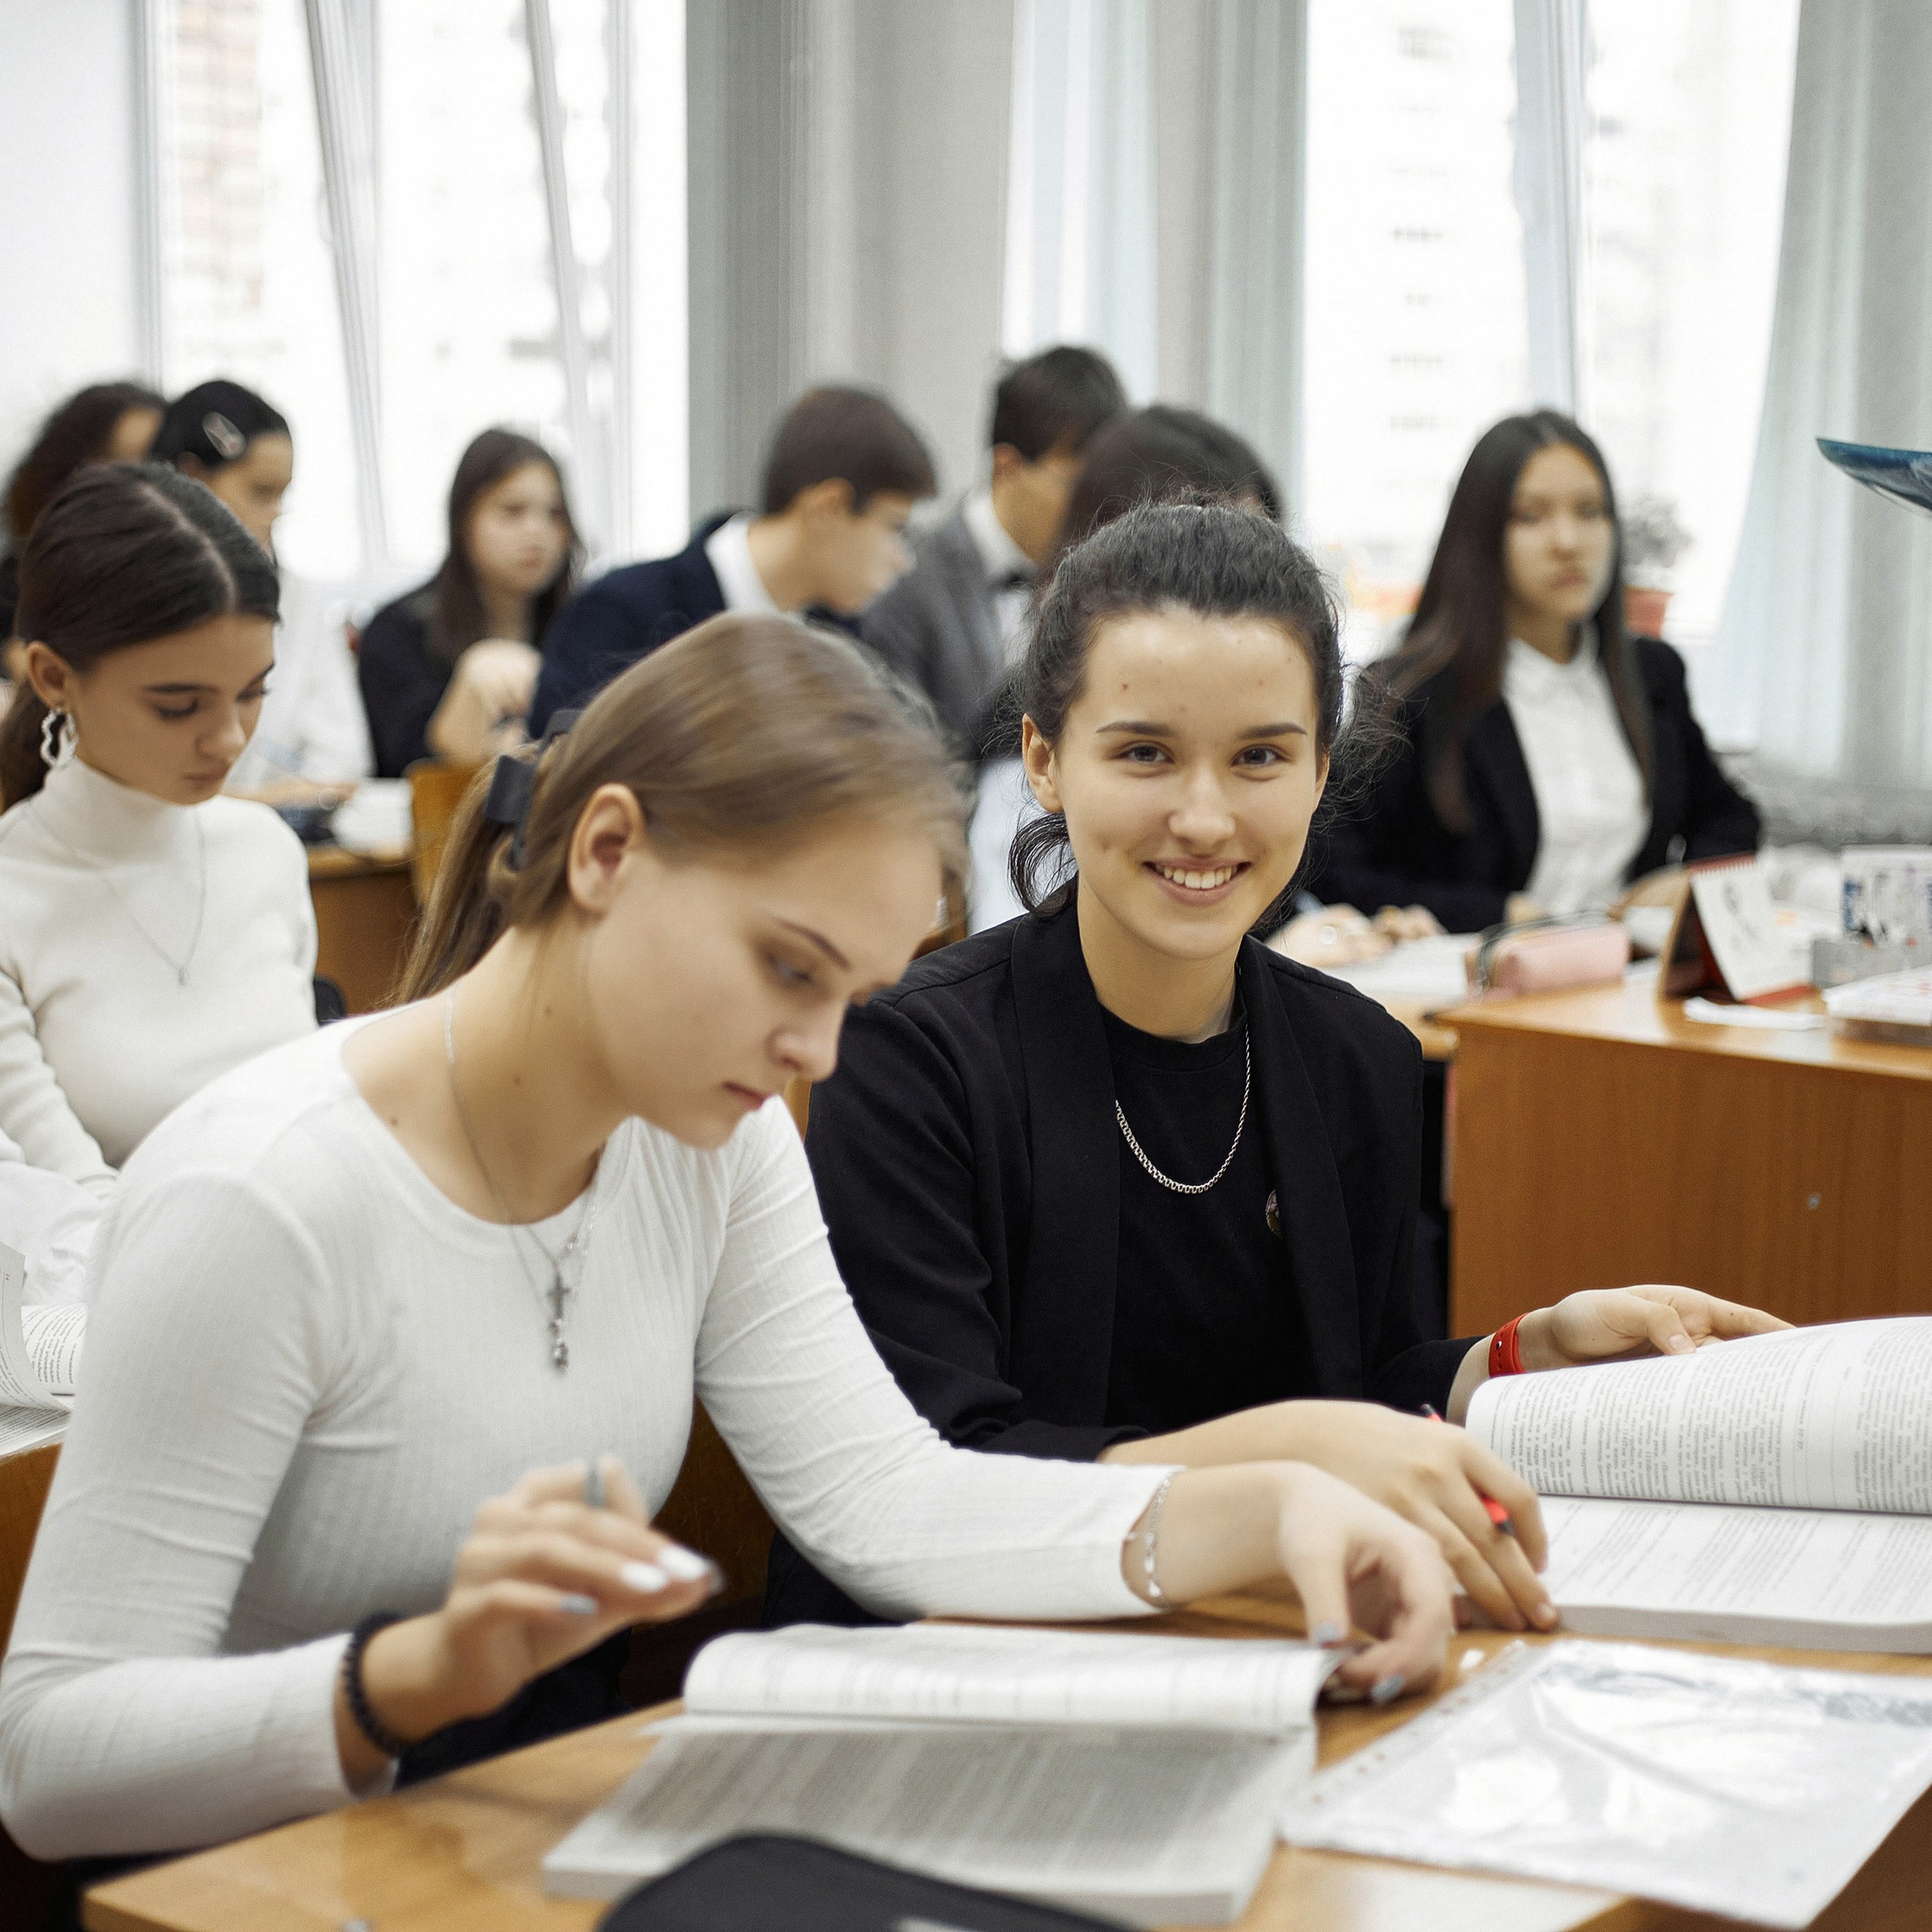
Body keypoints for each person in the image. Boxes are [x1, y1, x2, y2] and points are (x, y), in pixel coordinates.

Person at [0, 612, 1454, 1863]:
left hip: (521, 1845)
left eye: (854, 992)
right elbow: (51, 1757)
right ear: (609, 851)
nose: (817, 1049)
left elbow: (889, 1502)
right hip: (264, 1887)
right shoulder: (263, 1193)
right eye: (788, 969)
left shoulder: (715, 1137)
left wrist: (1264, 1509)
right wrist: (406, 1680)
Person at [764, 503, 1786, 1635]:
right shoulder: (914, 1060)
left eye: (1259, 757)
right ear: (1045, 761)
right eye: (1145, 753)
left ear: (1319, 773)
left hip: (1267, 1638)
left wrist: (1521, 1352)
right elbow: (938, 1477)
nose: (1204, 818)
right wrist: (1292, 1460)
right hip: (971, 1668)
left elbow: (1364, 1380)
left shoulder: (1359, 1057)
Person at [1307, 411, 1760, 932]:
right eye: (1531, 516)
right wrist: (1496, 914)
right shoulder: (1411, 692)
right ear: (1481, 536)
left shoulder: (1652, 673)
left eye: (1590, 512)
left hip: (1629, 982)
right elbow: (1327, 862)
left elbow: (1730, 816)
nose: (1568, 541)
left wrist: (1689, 880)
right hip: (1480, 983)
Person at [0, 466, 318, 1196]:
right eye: (179, 706)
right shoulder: (13, 894)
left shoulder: (264, 848)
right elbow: (65, 1209)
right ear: (53, 678)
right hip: (74, 1304)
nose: (230, 740)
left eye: (253, 692)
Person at [528, 386, 935, 734]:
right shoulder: (621, 613)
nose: (903, 561)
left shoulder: (844, 640)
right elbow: (563, 790)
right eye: (894, 527)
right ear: (828, 508)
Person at [860, 346, 1126, 743]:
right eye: (1074, 488)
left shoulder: (1102, 578)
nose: (1093, 509)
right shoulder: (908, 579)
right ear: (1007, 467)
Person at [150, 379, 371, 791]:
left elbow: (342, 759)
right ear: (191, 479)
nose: (275, 513)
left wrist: (252, 816)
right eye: (260, 492)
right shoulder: (125, 596)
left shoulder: (297, 600)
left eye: (282, 495)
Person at [356, 429, 580, 778]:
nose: (537, 532)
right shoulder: (397, 631)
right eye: (512, 511)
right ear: (464, 519)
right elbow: (403, 768)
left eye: (554, 513)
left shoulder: (586, 622)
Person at [1, 380, 164, 654]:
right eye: (126, 469)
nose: (151, 489)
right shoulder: (16, 598)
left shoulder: (188, 583)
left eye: (162, 464)